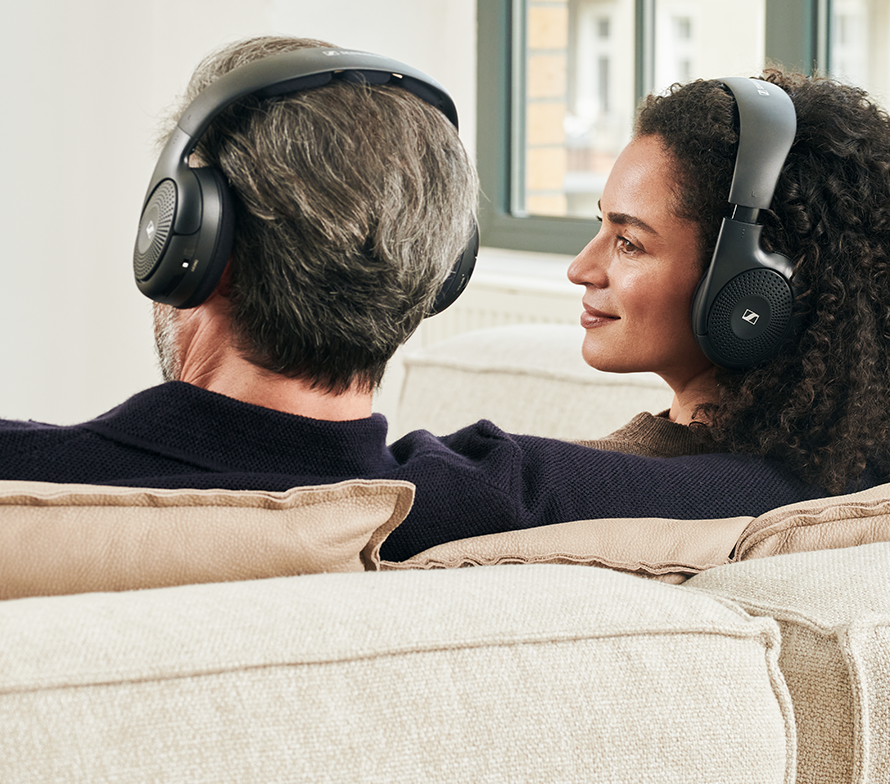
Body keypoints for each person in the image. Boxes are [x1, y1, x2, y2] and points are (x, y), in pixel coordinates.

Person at [0, 39, 866, 563]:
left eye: (628, 239)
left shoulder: (46, 493)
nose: (580, 267)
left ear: (189, 247)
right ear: (432, 272)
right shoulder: (807, 501)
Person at [568, 69, 890, 498]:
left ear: (750, 288)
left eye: (629, 243)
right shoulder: (853, 469)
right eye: (601, 224)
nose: (579, 269)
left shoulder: (559, 488)